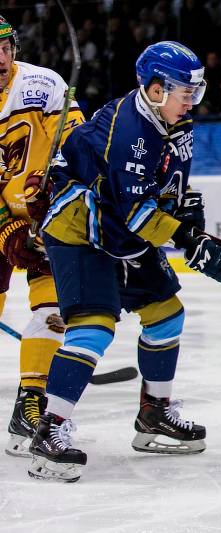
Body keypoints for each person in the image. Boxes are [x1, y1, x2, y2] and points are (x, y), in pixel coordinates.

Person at [27, 41, 221, 482]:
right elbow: (138, 212)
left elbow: (172, 193)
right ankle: (48, 431)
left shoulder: (178, 122)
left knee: (167, 314)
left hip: (119, 228)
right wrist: (188, 241)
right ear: (153, 89)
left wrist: (195, 231)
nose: (191, 100)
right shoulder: (130, 129)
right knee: (93, 327)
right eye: (185, 90)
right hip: (78, 228)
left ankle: (154, 414)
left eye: (195, 91)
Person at [0, 15, 85, 457]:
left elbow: (74, 145)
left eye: (5, 47)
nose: (0, 58)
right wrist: (5, 223)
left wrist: (52, 189)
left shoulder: (44, 84)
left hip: (40, 216)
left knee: (53, 307)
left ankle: (30, 402)